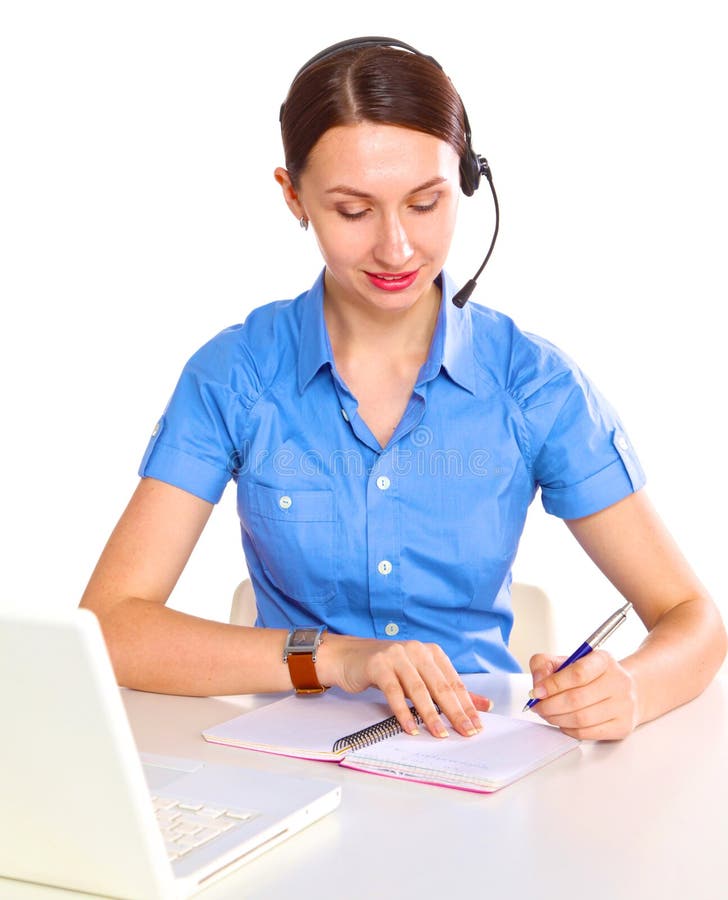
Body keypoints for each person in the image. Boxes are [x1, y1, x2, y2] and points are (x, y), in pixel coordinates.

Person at [80, 37, 726, 743]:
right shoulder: (234, 375)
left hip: (483, 760)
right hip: (291, 764)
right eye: (353, 211)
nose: (396, 248)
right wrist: (337, 657)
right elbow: (112, 625)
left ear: (468, 184)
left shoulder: (534, 385)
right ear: (293, 196)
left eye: (425, 203)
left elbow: (692, 619)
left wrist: (630, 690)